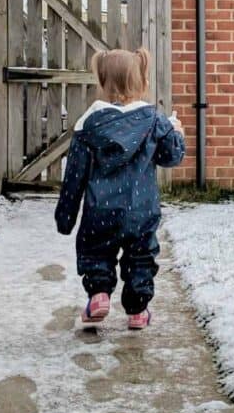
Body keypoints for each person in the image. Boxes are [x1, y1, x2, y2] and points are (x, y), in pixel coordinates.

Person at [54, 48, 185, 330]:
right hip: (141, 210)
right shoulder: (155, 121)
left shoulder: (88, 125)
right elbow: (171, 157)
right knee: (141, 257)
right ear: (142, 80)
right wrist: (176, 134)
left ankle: (99, 295)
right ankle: (138, 311)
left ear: (102, 82)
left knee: (96, 254)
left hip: (99, 211)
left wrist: (65, 217)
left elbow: (74, 176)